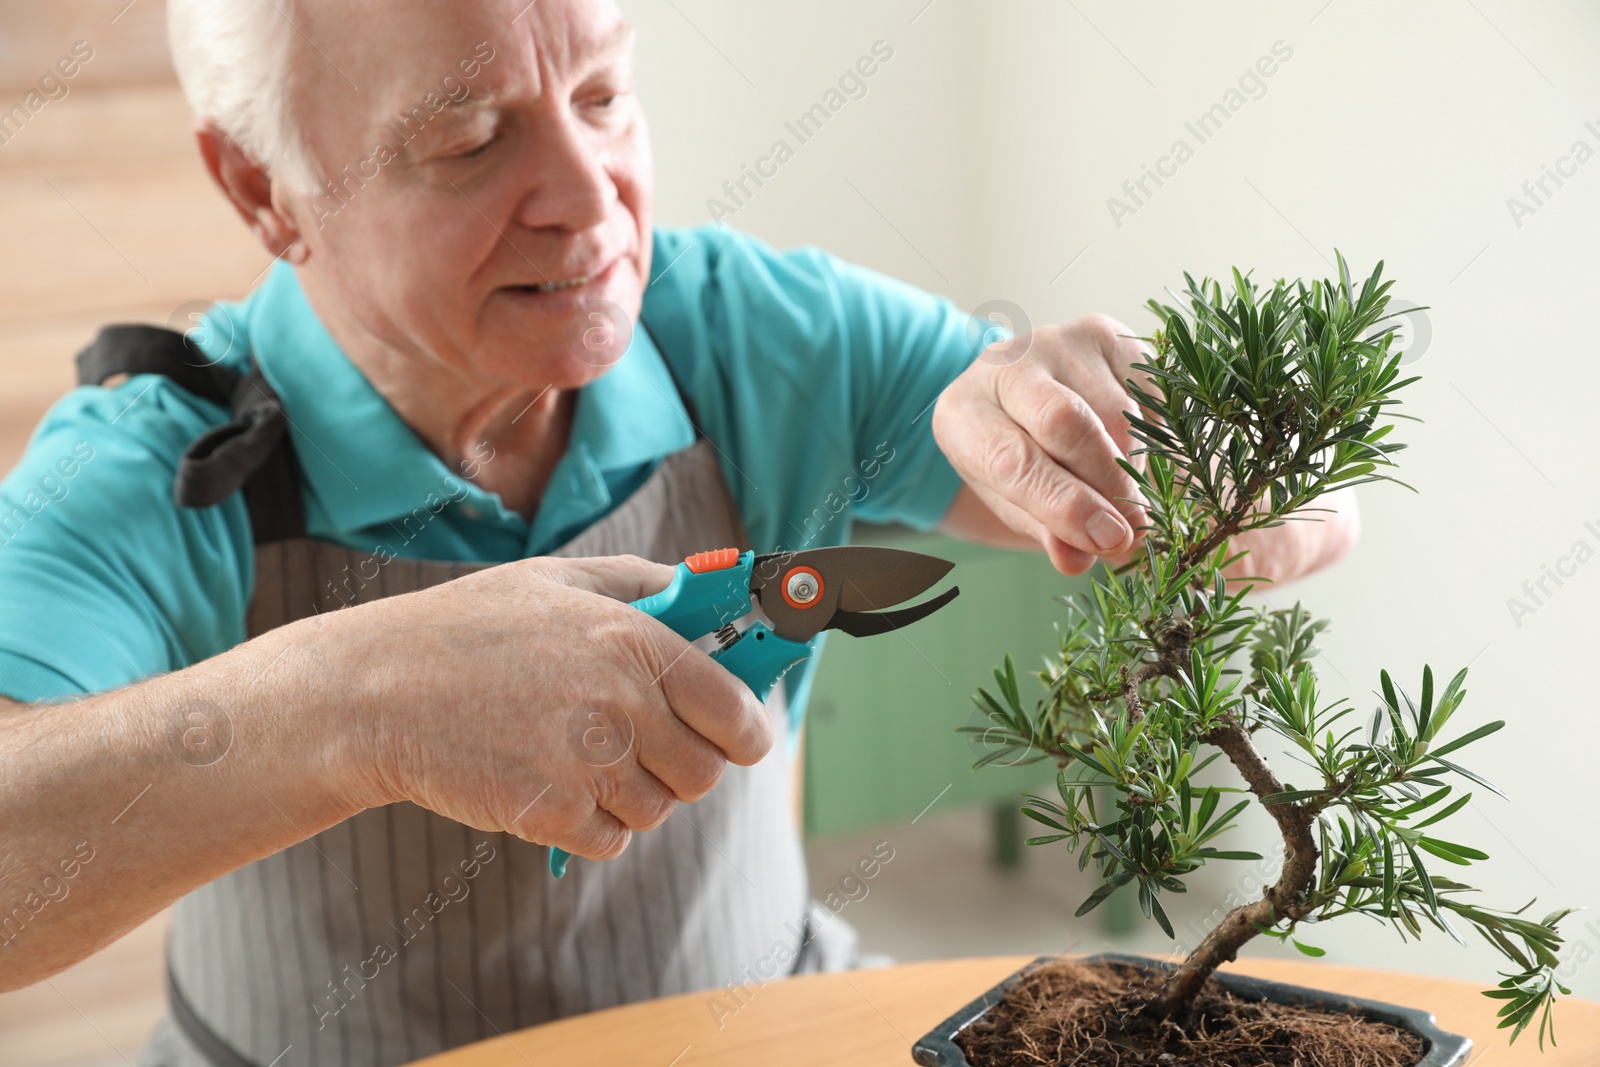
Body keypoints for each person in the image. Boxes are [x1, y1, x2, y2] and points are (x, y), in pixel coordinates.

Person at [0, 2, 1358, 1065]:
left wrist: (1162, 432)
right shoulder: (156, 465)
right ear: (262, 187)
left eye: (602, 98)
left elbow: (1269, 500)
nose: (592, 206)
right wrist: (358, 703)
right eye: (469, 142)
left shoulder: (752, 335)